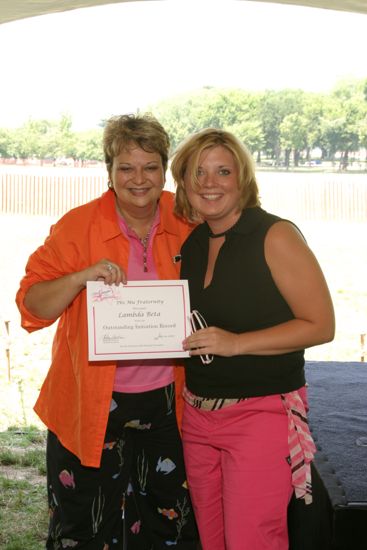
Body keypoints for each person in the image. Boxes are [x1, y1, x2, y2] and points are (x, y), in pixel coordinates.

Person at [16, 113, 198, 550]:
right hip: (89, 404)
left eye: (150, 166)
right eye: (126, 167)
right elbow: (32, 307)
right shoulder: (77, 227)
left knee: (166, 521)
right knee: (84, 526)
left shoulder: (189, 219)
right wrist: (80, 277)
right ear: (110, 172)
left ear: (164, 169)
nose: (139, 179)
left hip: (169, 404)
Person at [171, 128, 335, 550]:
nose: (210, 183)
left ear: (242, 178)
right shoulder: (192, 243)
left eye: (223, 171)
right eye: (198, 173)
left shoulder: (275, 235)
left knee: (251, 541)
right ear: (184, 184)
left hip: (260, 414)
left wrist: (236, 342)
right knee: (213, 540)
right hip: (198, 416)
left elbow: (320, 325)